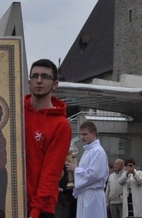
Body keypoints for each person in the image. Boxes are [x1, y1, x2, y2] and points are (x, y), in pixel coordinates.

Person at [24, 59, 72, 218]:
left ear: (55, 84)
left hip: (41, 208)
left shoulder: (61, 124)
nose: (39, 80)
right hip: (8, 199)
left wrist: (35, 211)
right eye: (35, 76)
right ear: (29, 81)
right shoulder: (15, 112)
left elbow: (51, 172)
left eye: (45, 76)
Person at [67, 121, 108, 218]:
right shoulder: (88, 151)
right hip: (85, 195)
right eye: (81, 134)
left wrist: (75, 169)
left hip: (93, 196)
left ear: (93, 134)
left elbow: (95, 174)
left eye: (85, 134)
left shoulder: (98, 151)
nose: (82, 137)